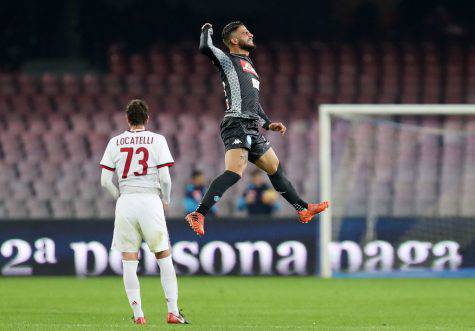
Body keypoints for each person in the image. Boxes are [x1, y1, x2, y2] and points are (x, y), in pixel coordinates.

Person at [185, 21, 329, 235]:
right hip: (236, 122)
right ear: (234, 40)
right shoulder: (228, 60)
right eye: (245, 33)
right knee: (235, 172)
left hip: (252, 125)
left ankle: (302, 208)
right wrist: (207, 28)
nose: (251, 34)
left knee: (274, 167)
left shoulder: (248, 64)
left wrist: (268, 123)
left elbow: (253, 102)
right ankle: (199, 213)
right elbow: (205, 47)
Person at [100, 99, 188, 325]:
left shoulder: (115, 142)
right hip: (150, 200)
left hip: (127, 201)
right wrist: (165, 200)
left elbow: (104, 181)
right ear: (147, 118)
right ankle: (172, 311)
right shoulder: (157, 140)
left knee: (129, 259)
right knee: (163, 256)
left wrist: (120, 197)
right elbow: (165, 178)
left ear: (127, 118)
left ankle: (139, 315)